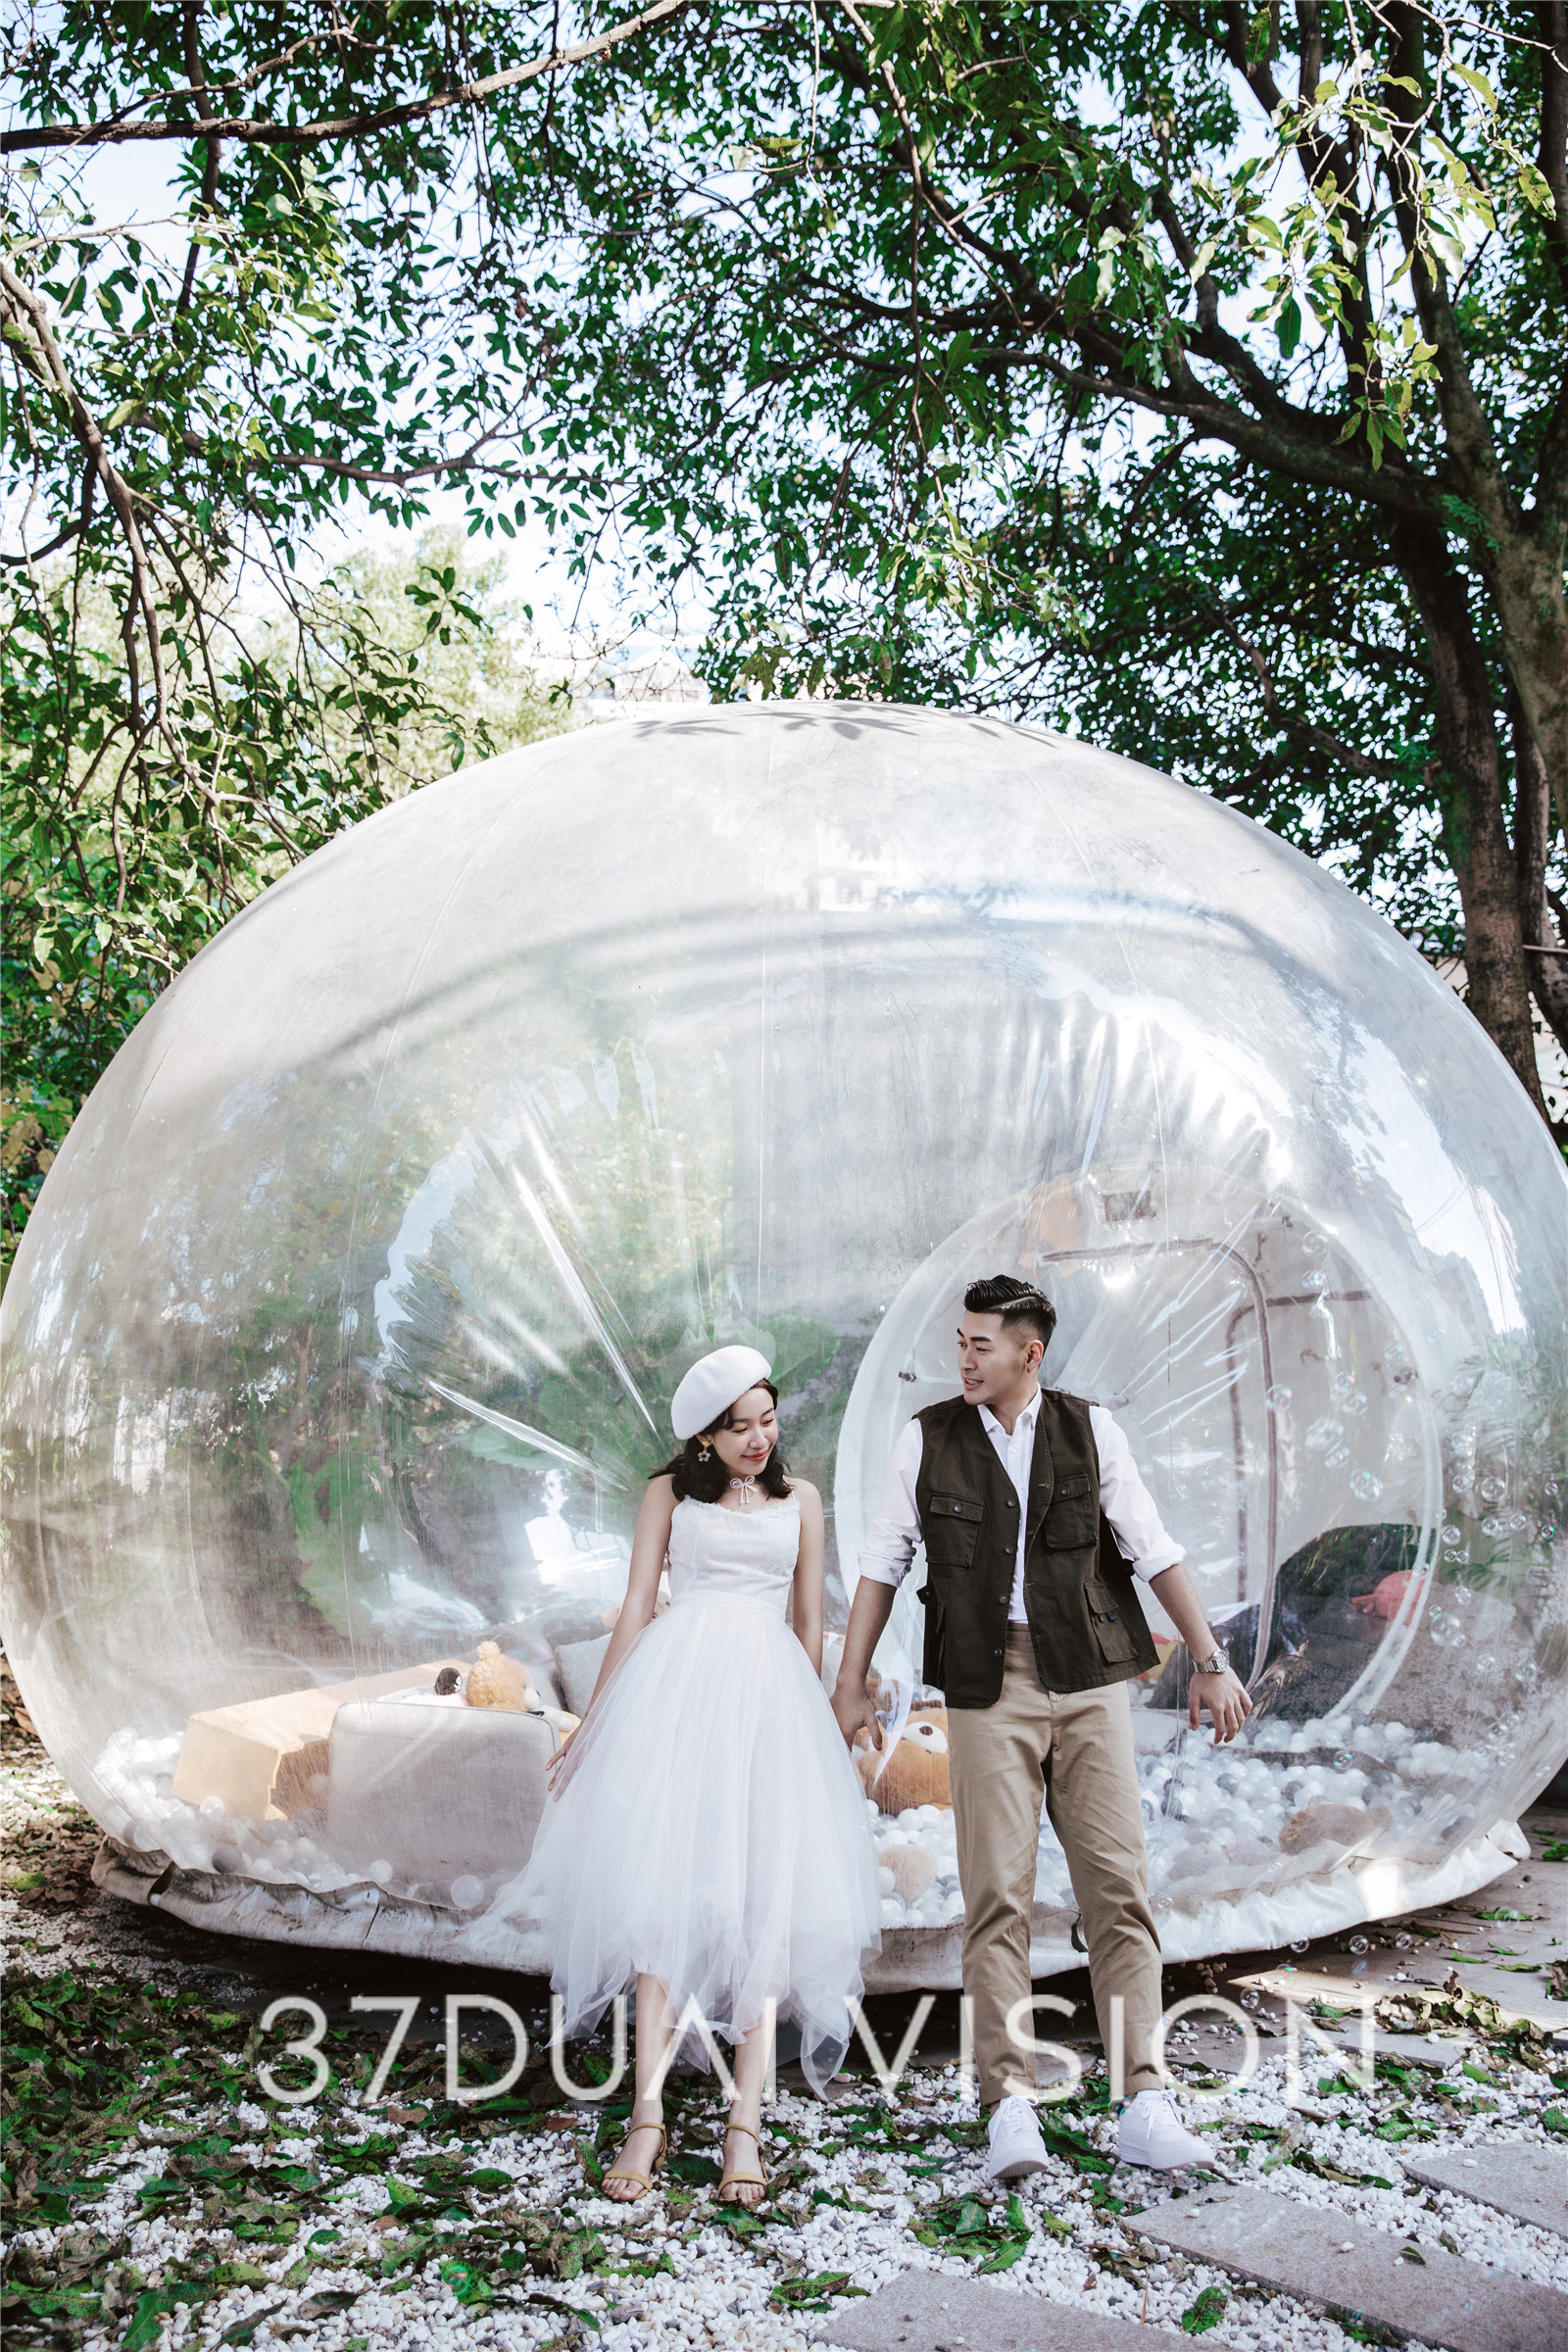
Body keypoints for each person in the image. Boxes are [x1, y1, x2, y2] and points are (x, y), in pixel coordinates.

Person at [831, 1276, 1251, 2180]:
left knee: (1118, 1891)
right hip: (986, 1687)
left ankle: (1144, 2101)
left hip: (1091, 1680)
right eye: (959, 1341)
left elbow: (1153, 1548)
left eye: (980, 1344)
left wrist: (1210, 1659)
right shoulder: (926, 1438)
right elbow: (881, 1562)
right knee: (997, 1899)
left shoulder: (1091, 1430)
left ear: (1031, 1352)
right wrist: (850, 1682)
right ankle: (1009, 2105)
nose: (963, 1358)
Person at [474, 1345, 880, 2206]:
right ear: (704, 1437)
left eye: (768, 1421)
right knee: (663, 1893)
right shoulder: (669, 1494)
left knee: (764, 1899)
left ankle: (745, 2124)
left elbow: (809, 1620)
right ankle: (647, 2117)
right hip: (678, 1697)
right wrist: (592, 1723)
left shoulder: (801, 1501)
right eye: (740, 1429)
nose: (760, 1439)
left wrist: (808, 1730)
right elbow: (635, 1605)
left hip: (769, 1704)